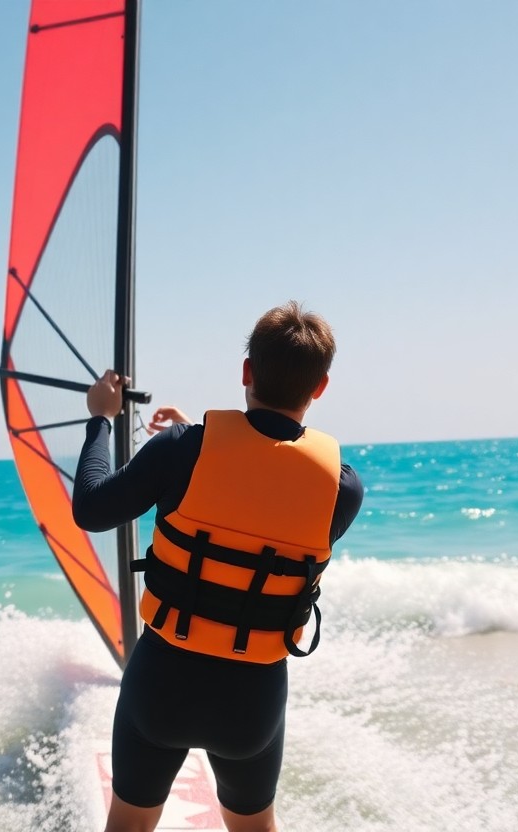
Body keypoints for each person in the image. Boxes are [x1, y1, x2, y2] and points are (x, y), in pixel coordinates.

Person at [74, 301, 363, 832]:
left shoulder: (181, 450)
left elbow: (91, 508)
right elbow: (263, 498)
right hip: (250, 703)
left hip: (163, 683)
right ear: (320, 387)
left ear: (246, 371)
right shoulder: (341, 489)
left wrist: (100, 420)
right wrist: (196, 446)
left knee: (129, 826)